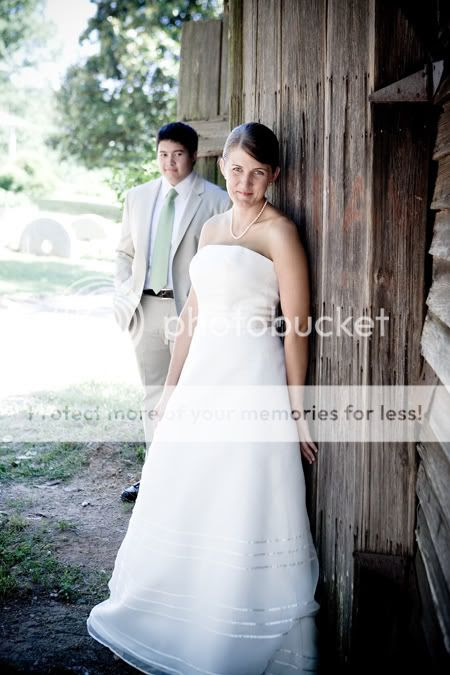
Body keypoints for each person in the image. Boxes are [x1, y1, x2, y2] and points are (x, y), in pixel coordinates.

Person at [88, 122, 320, 673]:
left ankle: (232, 619)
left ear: (274, 176)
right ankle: (174, 609)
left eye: (257, 173)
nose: (245, 182)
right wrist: (171, 389)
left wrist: (298, 410)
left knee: (238, 492)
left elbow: (297, 328)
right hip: (201, 377)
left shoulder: (281, 233)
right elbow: (192, 314)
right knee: (187, 485)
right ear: (223, 167)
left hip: (252, 376)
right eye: (237, 170)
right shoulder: (213, 229)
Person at [114, 121, 231, 502]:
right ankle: (155, 477)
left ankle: (191, 479)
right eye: (163, 154)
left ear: (193, 156)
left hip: (192, 312)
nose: (169, 162)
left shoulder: (216, 200)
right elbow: (124, 252)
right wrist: (123, 292)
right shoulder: (137, 197)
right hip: (146, 307)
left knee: (190, 394)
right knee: (153, 394)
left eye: (178, 155)